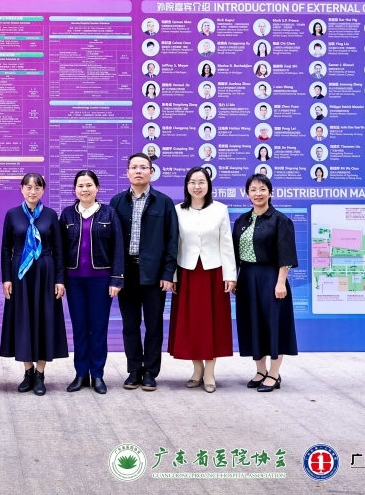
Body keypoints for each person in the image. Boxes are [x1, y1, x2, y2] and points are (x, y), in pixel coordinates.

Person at [110, 153, 178, 392]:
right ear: (127, 172)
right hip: (126, 272)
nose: (138, 171)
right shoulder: (117, 202)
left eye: (143, 167)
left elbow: (172, 240)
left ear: (151, 172)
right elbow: (111, 241)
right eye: (134, 167)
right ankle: (134, 370)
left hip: (154, 274)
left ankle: (150, 372)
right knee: (130, 325)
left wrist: (168, 273)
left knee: (153, 325)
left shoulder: (164, 202)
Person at [168, 168, 235, 393]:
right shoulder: (178, 210)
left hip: (213, 273)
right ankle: (197, 369)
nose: (197, 186)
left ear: (209, 185)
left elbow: (226, 243)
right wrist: (172, 276)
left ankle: (210, 372)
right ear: (186, 185)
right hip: (186, 272)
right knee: (192, 324)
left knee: (212, 322)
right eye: (192, 182)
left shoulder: (220, 209)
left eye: (201, 182)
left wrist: (230, 275)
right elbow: (174, 245)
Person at [1, 173, 68, 396]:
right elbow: (5, 249)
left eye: (37, 187)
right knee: (23, 320)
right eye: (28, 187)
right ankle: (28, 372)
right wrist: (6, 278)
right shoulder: (12, 214)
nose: (32, 191)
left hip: (45, 272)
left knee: (44, 319)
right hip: (20, 274)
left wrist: (60, 279)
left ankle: (40, 374)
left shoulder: (50, 215)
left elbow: (59, 250)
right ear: (21, 189)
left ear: (43, 190)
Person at [59, 170, 124, 395]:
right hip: (74, 281)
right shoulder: (67, 214)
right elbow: (60, 250)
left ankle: (97, 375)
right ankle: (80, 374)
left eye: (89, 185)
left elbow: (118, 248)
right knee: (79, 328)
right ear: (75, 189)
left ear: (97, 188)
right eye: (80, 186)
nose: (85, 189)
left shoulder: (109, 213)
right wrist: (60, 280)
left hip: (101, 281)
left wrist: (116, 279)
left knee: (98, 328)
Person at [232, 174, 298, 393]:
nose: (257, 194)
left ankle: (274, 374)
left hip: (271, 277)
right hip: (247, 278)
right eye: (253, 190)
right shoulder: (242, 221)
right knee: (253, 323)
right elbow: (234, 254)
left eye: (262, 189)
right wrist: (234, 278)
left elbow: (286, 255)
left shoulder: (280, 220)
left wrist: (281, 283)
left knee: (274, 324)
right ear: (247, 194)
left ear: (270, 192)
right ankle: (260, 371)